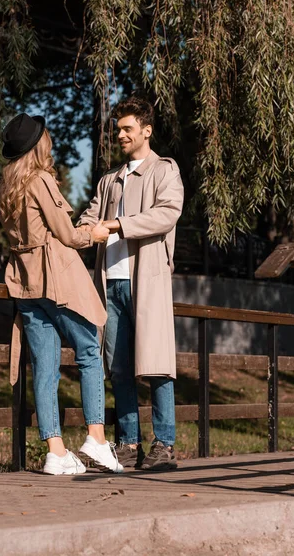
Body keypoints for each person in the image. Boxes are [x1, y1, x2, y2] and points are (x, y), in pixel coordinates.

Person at [0, 112, 123, 475]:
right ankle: (97, 439)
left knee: (45, 368)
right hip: (54, 280)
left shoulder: (6, 185)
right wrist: (94, 234)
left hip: (24, 282)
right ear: (40, 145)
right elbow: (68, 236)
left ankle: (55, 451)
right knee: (88, 349)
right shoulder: (40, 181)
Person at [77, 97, 184, 470]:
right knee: (118, 368)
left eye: (127, 129)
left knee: (155, 364)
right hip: (111, 285)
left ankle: (165, 445)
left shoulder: (165, 172)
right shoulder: (110, 180)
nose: (120, 134)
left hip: (147, 284)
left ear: (146, 131)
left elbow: (166, 214)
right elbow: (88, 221)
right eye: (117, 129)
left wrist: (117, 225)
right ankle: (127, 444)